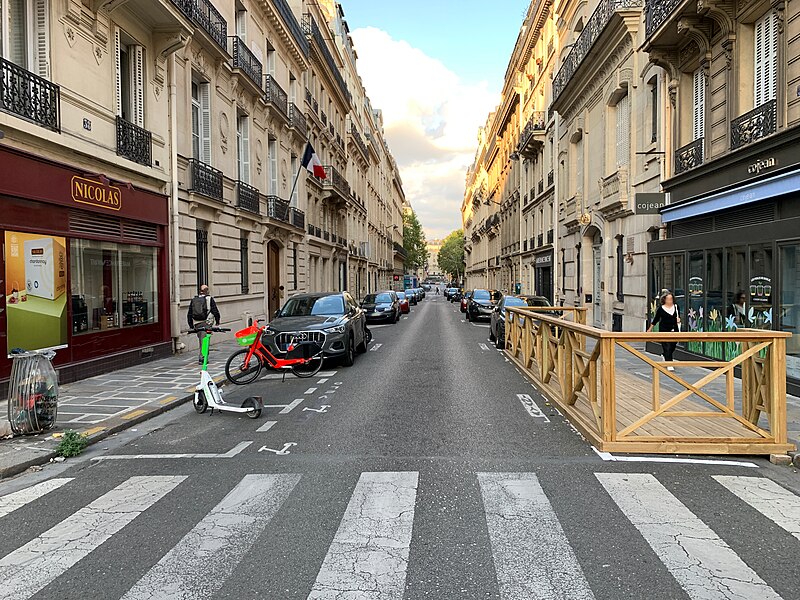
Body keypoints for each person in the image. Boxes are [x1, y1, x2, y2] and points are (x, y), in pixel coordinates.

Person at [647, 291, 681, 371]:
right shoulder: (661, 309)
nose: (670, 301)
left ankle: (664, 355)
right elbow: (656, 319)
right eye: (668, 299)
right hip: (664, 330)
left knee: (672, 346)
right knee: (667, 347)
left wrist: (679, 320)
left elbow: (678, 316)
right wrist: (650, 329)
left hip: (674, 330)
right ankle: (669, 364)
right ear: (664, 300)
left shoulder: (676, 307)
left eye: (671, 299)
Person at [188, 284, 220, 364]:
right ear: (207, 291)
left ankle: (203, 356)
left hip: (197, 323)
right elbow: (215, 311)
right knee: (205, 340)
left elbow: (189, 313)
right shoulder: (209, 299)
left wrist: (191, 325)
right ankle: (202, 358)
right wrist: (217, 321)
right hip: (206, 322)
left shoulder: (194, 300)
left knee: (201, 340)